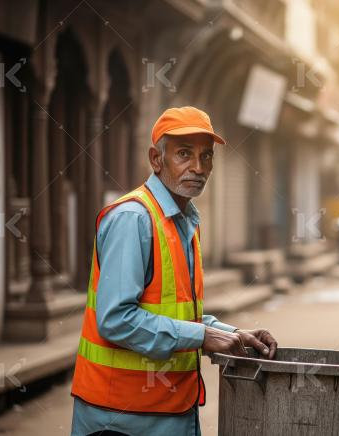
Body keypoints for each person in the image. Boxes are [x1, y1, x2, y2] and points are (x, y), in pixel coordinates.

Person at [71, 107, 278, 436]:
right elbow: (115, 320)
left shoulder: (185, 222)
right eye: (184, 154)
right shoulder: (133, 218)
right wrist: (202, 336)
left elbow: (177, 311)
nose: (198, 168)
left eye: (206, 156)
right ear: (156, 159)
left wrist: (231, 333)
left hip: (171, 410)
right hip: (121, 418)